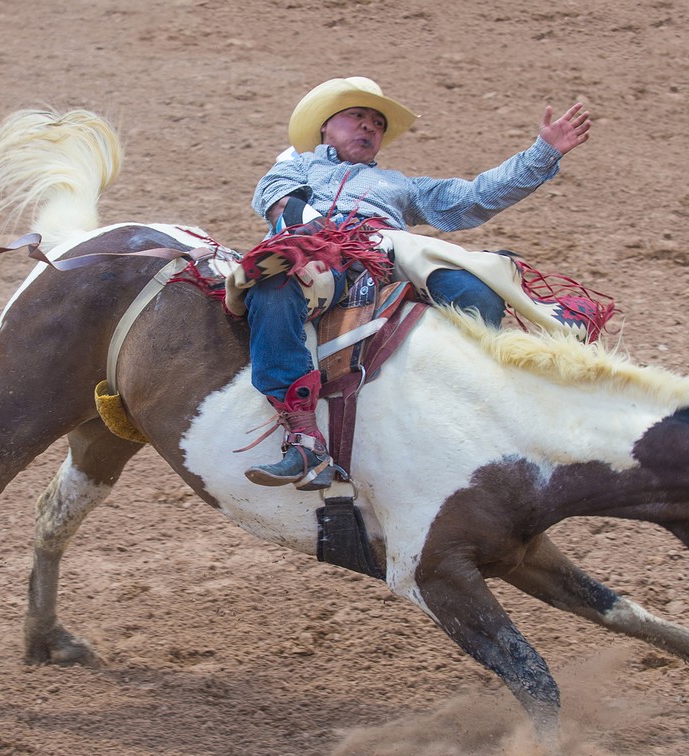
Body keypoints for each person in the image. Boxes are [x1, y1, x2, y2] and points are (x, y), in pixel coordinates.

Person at [242, 76, 592, 490]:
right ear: (325, 126)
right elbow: (279, 200)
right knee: (271, 283)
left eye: (378, 123)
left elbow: (475, 197)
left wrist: (542, 153)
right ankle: (304, 438)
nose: (370, 126)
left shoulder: (401, 185)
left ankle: (498, 392)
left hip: (386, 252)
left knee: (474, 290)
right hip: (315, 250)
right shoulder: (296, 165)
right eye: (358, 116)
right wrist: (322, 236)